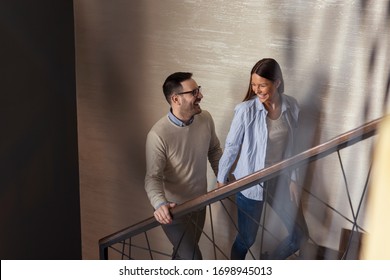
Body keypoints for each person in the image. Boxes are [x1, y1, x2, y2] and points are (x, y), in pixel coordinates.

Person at [217, 58, 309, 260]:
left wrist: (293, 179)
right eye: (253, 85)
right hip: (250, 183)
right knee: (247, 240)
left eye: (262, 84)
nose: (257, 90)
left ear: (276, 82)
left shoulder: (291, 106)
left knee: (300, 235)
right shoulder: (245, 110)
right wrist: (221, 179)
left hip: (279, 179)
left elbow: (294, 147)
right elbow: (232, 146)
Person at [144, 72, 222, 260]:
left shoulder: (206, 119)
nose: (200, 96)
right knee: (194, 259)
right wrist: (160, 205)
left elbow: (214, 151)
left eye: (199, 90)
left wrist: (223, 177)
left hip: (199, 204)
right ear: (176, 99)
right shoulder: (158, 135)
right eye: (194, 92)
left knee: (182, 256)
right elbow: (152, 177)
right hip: (174, 212)